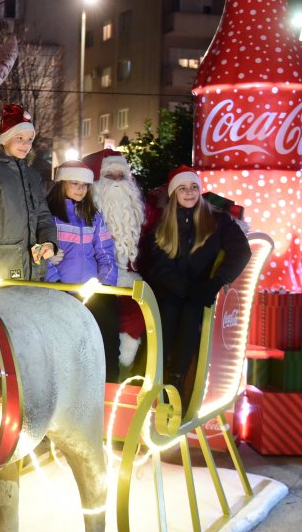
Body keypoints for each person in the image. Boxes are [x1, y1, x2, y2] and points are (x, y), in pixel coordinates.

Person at [136, 165, 251, 408]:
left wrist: (216, 282)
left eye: (193, 187)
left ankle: (178, 380)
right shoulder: (163, 227)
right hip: (173, 290)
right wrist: (188, 291)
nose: (189, 192)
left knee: (191, 314)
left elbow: (241, 251)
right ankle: (152, 377)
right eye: (182, 188)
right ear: (173, 194)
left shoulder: (219, 221)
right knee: (169, 311)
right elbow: (159, 268)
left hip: (204, 290)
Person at [43, 160, 120, 379]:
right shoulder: (49, 216)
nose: (80, 189)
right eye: (74, 183)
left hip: (93, 290)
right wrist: (56, 285)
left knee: (107, 338)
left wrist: (104, 284)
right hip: (61, 292)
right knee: (69, 345)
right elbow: (42, 256)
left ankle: (109, 384)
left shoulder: (93, 217)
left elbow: (106, 253)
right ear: (61, 184)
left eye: (85, 185)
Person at [0, 104, 57, 283]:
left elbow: (43, 216)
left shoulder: (33, 176)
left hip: (33, 269)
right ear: (5, 138)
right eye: (19, 138)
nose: (26, 144)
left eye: (30, 139)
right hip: (1, 268)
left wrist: (49, 242)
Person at [82, 148, 148, 368]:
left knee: (139, 314)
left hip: (129, 284)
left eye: (122, 176)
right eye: (110, 176)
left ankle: (124, 370)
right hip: (92, 283)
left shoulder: (140, 213)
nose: (118, 182)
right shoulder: (84, 212)